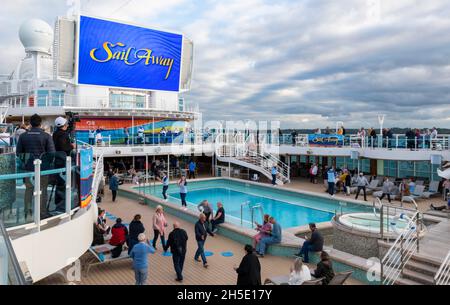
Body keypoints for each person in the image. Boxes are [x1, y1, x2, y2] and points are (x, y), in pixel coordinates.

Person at [16, 114, 56, 219]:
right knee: (42, 190)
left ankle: (27, 212)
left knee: (28, 189)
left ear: (30, 123)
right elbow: (52, 153)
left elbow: (18, 153)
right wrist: (47, 163)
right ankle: (42, 213)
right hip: (43, 168)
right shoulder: (46, 136)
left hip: (28, 168)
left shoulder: (23, 136)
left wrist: (26, 162)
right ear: (40, 123)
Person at [53, 116, 76, 212]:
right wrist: (72, 146)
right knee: (64, 184)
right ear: (63, 125)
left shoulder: (55, 134)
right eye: (66, 124)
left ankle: (59, 203)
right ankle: (62, 206)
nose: (67, 125)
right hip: (63, 162)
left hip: (58, 161)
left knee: (60, 183)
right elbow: (64, 147)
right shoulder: (63, 135)